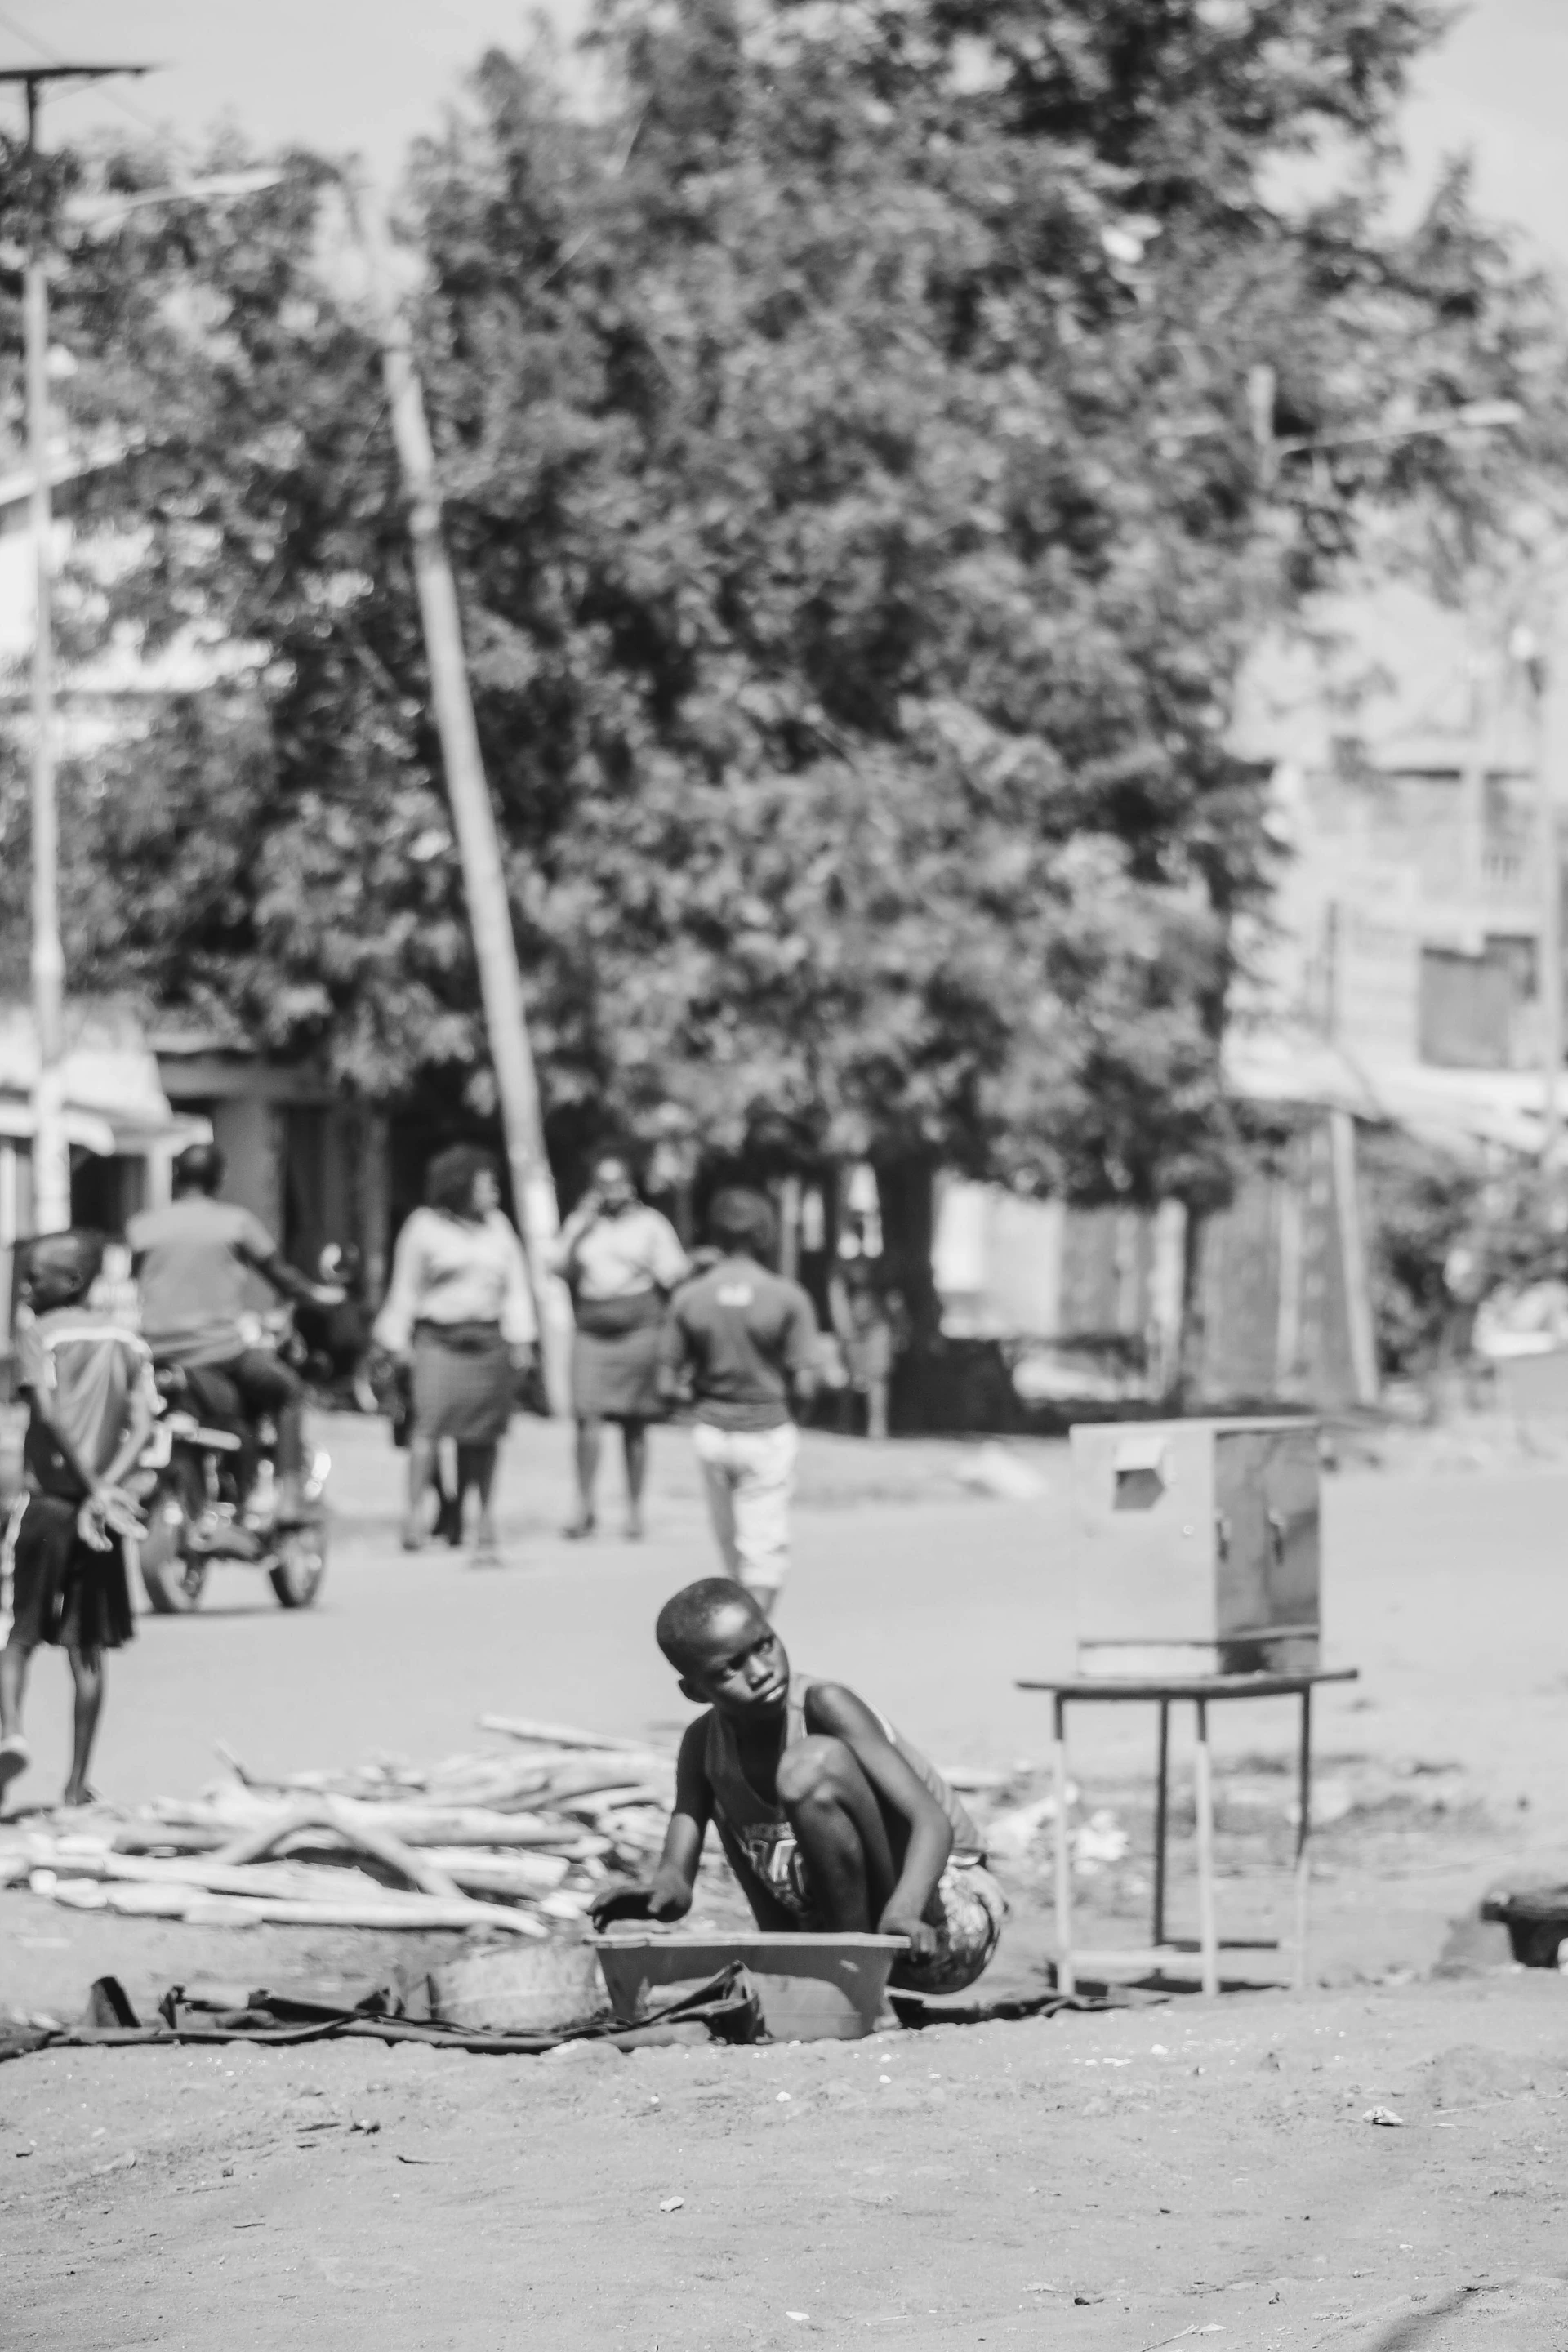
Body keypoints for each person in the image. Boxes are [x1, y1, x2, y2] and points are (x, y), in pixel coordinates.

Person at [590, 1578, 1006, 1998]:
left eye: (765, 1645)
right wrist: (659, 1896)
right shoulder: (702, 1744)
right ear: (695, 1691)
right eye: (730, 1669)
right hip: (851, 1936)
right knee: (726, 1782)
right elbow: (677, 1883)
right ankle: (819, 1976)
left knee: (809, 1770)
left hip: (942, 1920)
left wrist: (904, 1912)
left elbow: (932, 1822)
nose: (760, 1671)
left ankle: (852, 1982)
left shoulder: (824, 1705)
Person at [0, 1232, 156, 1811]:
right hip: (102, 1519)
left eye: (35, 1277)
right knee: (86, 1648)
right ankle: (76, 1784)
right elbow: (142, 1427)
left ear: (70, 1282)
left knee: (15, 1635)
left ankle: (10, 1730)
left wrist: (88, 1485)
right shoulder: (128, 1342)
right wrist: (108, 1488)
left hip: (46, 1507)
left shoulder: (41, 1335)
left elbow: (47, 1413)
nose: (25, 1287)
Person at [126, 1142, 338, 1526]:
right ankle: (289, 1497)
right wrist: (319, 1297)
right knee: (289, 1391)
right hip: (220, 1353)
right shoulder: (235, 1222)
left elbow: (131, 1280)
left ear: (176, 1177)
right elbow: (281, 1275)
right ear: (219, 1179)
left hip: (157, 1354)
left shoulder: (143, 1226)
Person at [372, 1144, 537, 1562]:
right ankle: (414, 1516)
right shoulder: (424, 1228)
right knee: (426, 1429)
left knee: (481, 1436)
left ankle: (480, 1519)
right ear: (461, 1188)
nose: (494, 1193)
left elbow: (515, 1288)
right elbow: (405, 1288)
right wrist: (396, 1342)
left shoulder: (499, 1228)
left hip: (488, 1343)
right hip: (437, 1342)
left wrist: (522, 1341)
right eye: (486, 1186)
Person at [661, 1187, 820, 1615]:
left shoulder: (690, 1297)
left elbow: (666, 1382)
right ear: (765, 1234)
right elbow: (806, 1382)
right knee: (763, 1557)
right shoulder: (787, 1297)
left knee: (732, 1555)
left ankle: (736, 1643)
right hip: (766, 1431)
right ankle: (750, 1648)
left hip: (712, 1433)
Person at [551, 1151, 688, 1541]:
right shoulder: (581, 1224)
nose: (611, 1192)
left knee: (635, 1423)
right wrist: (581, 1229)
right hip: (592, 1332)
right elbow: (557, 1267)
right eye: (603, 1184)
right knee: (586, 1420)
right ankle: (584, 1505)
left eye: (617, 1183)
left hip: (639, 1331)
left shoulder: (651, 1225)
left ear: (630, 1186)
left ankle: (634, 1510)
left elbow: (673, 1272)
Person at [827, 1257, 905, 1441]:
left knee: (877, 1376)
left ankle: (877, 1427)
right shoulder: (842, 1265)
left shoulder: (882, 1266)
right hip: (852, 1324)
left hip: (878, 1324)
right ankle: (844, 1424)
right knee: (849, 1377)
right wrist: (843, 1326)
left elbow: (894, 1299)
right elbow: (837, 1296)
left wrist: (900, 1326)